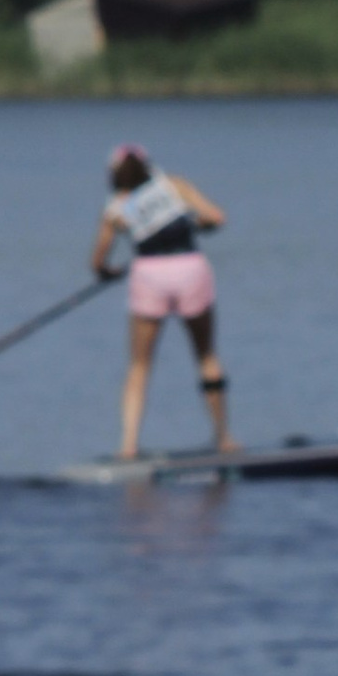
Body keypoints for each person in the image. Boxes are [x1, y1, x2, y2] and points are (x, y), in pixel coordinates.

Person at [95, 145, 236, 460]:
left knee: (140, 365)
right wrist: (197, 226)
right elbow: (215, 217)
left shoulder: (117, 206)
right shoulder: (174, 185)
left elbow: (98, 260)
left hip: (148, 276)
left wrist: (107, 273)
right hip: (190, 269)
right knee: (206, 355)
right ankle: (224, 437)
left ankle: (128, 445)